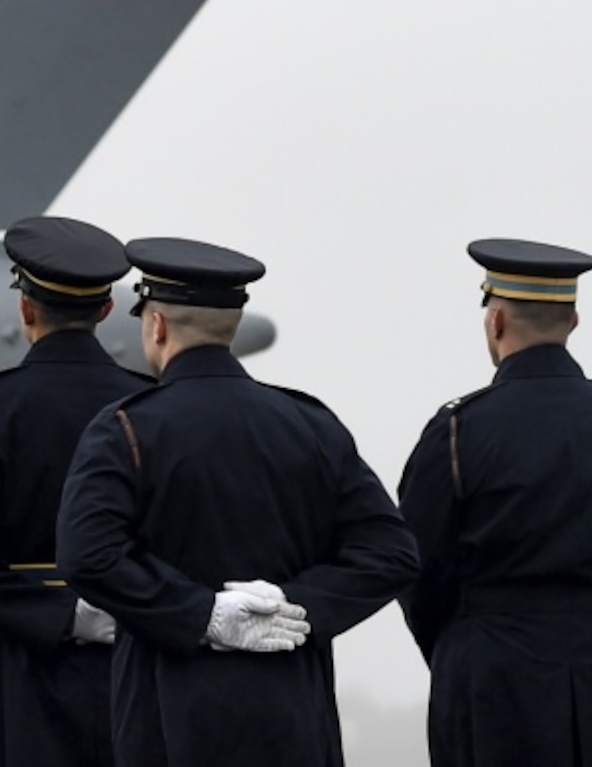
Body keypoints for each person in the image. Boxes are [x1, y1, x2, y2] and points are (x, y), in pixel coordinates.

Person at [55, 237, 417, 766]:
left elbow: (89, 555)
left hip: (169, 708)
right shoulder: (310, 424)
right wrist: (296, 603)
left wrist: (200, 614)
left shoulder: (125, 428)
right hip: (292, 707)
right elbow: (392, 553)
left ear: (156, 326)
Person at [397, 239, 592, 767]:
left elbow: (417, 568)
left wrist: (460, 647)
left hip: (491, 676)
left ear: (495, 322)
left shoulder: (458, 430)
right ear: (574, 321)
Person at [0, 215, 149, 767]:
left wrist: (55, 614)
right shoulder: (147, 404)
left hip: (16, 664)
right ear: (106, 311)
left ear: (25, 309)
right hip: (134, 651)